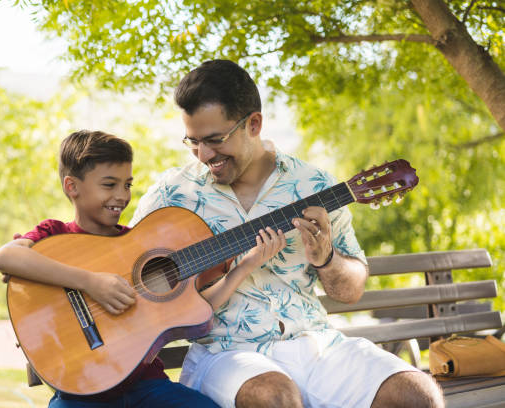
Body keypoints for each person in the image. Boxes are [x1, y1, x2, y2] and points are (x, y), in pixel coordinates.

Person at [129, 60, 445, 408]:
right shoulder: (172, 194)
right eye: (193, 141)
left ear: (254, 123)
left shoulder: (315, 186)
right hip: (224, 353)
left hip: (313, 344)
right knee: (276, 398)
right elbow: (125, 269)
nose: (204, 155)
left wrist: (326, 258)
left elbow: (351, 290)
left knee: (418, 395)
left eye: (215, 140)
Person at [0, 130, 232, 408]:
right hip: (81, 392)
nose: (122, 195)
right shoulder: (53, 234)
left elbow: (197, 304)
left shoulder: (137, 245)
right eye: (109, 184)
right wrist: (90, 282)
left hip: (148, 386)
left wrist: (246, 262)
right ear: (72, 186)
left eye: (127, 185)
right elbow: (5, 257)